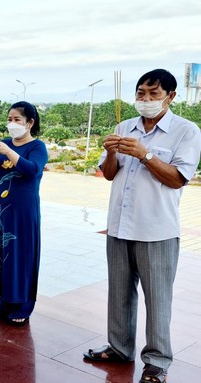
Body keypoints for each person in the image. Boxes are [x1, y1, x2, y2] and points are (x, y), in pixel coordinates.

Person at [83, 69, 201, 383]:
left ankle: (157, 361)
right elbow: (109, 174)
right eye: (140, 93)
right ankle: (119, 348)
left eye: (153, 93)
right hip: (120, 227)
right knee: (119, 294)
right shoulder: (125, 127)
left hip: (157, 231)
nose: (145, 100)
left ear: (171, 96)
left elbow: (177, 179)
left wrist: (145, 154)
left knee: (158, 298)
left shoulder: (185, 132)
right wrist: (110, 152)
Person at [0, 101, 48, 326]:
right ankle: (6, 298)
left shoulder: (37, 147)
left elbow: (31, 170)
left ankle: (23, 303)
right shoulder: (4, 143)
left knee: (23, 253)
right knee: (3, 251)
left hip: (24, 210)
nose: (12, 124)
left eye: (17, 120)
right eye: (9, 119)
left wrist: (7, 150)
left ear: (30, 123)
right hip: (3, 209)